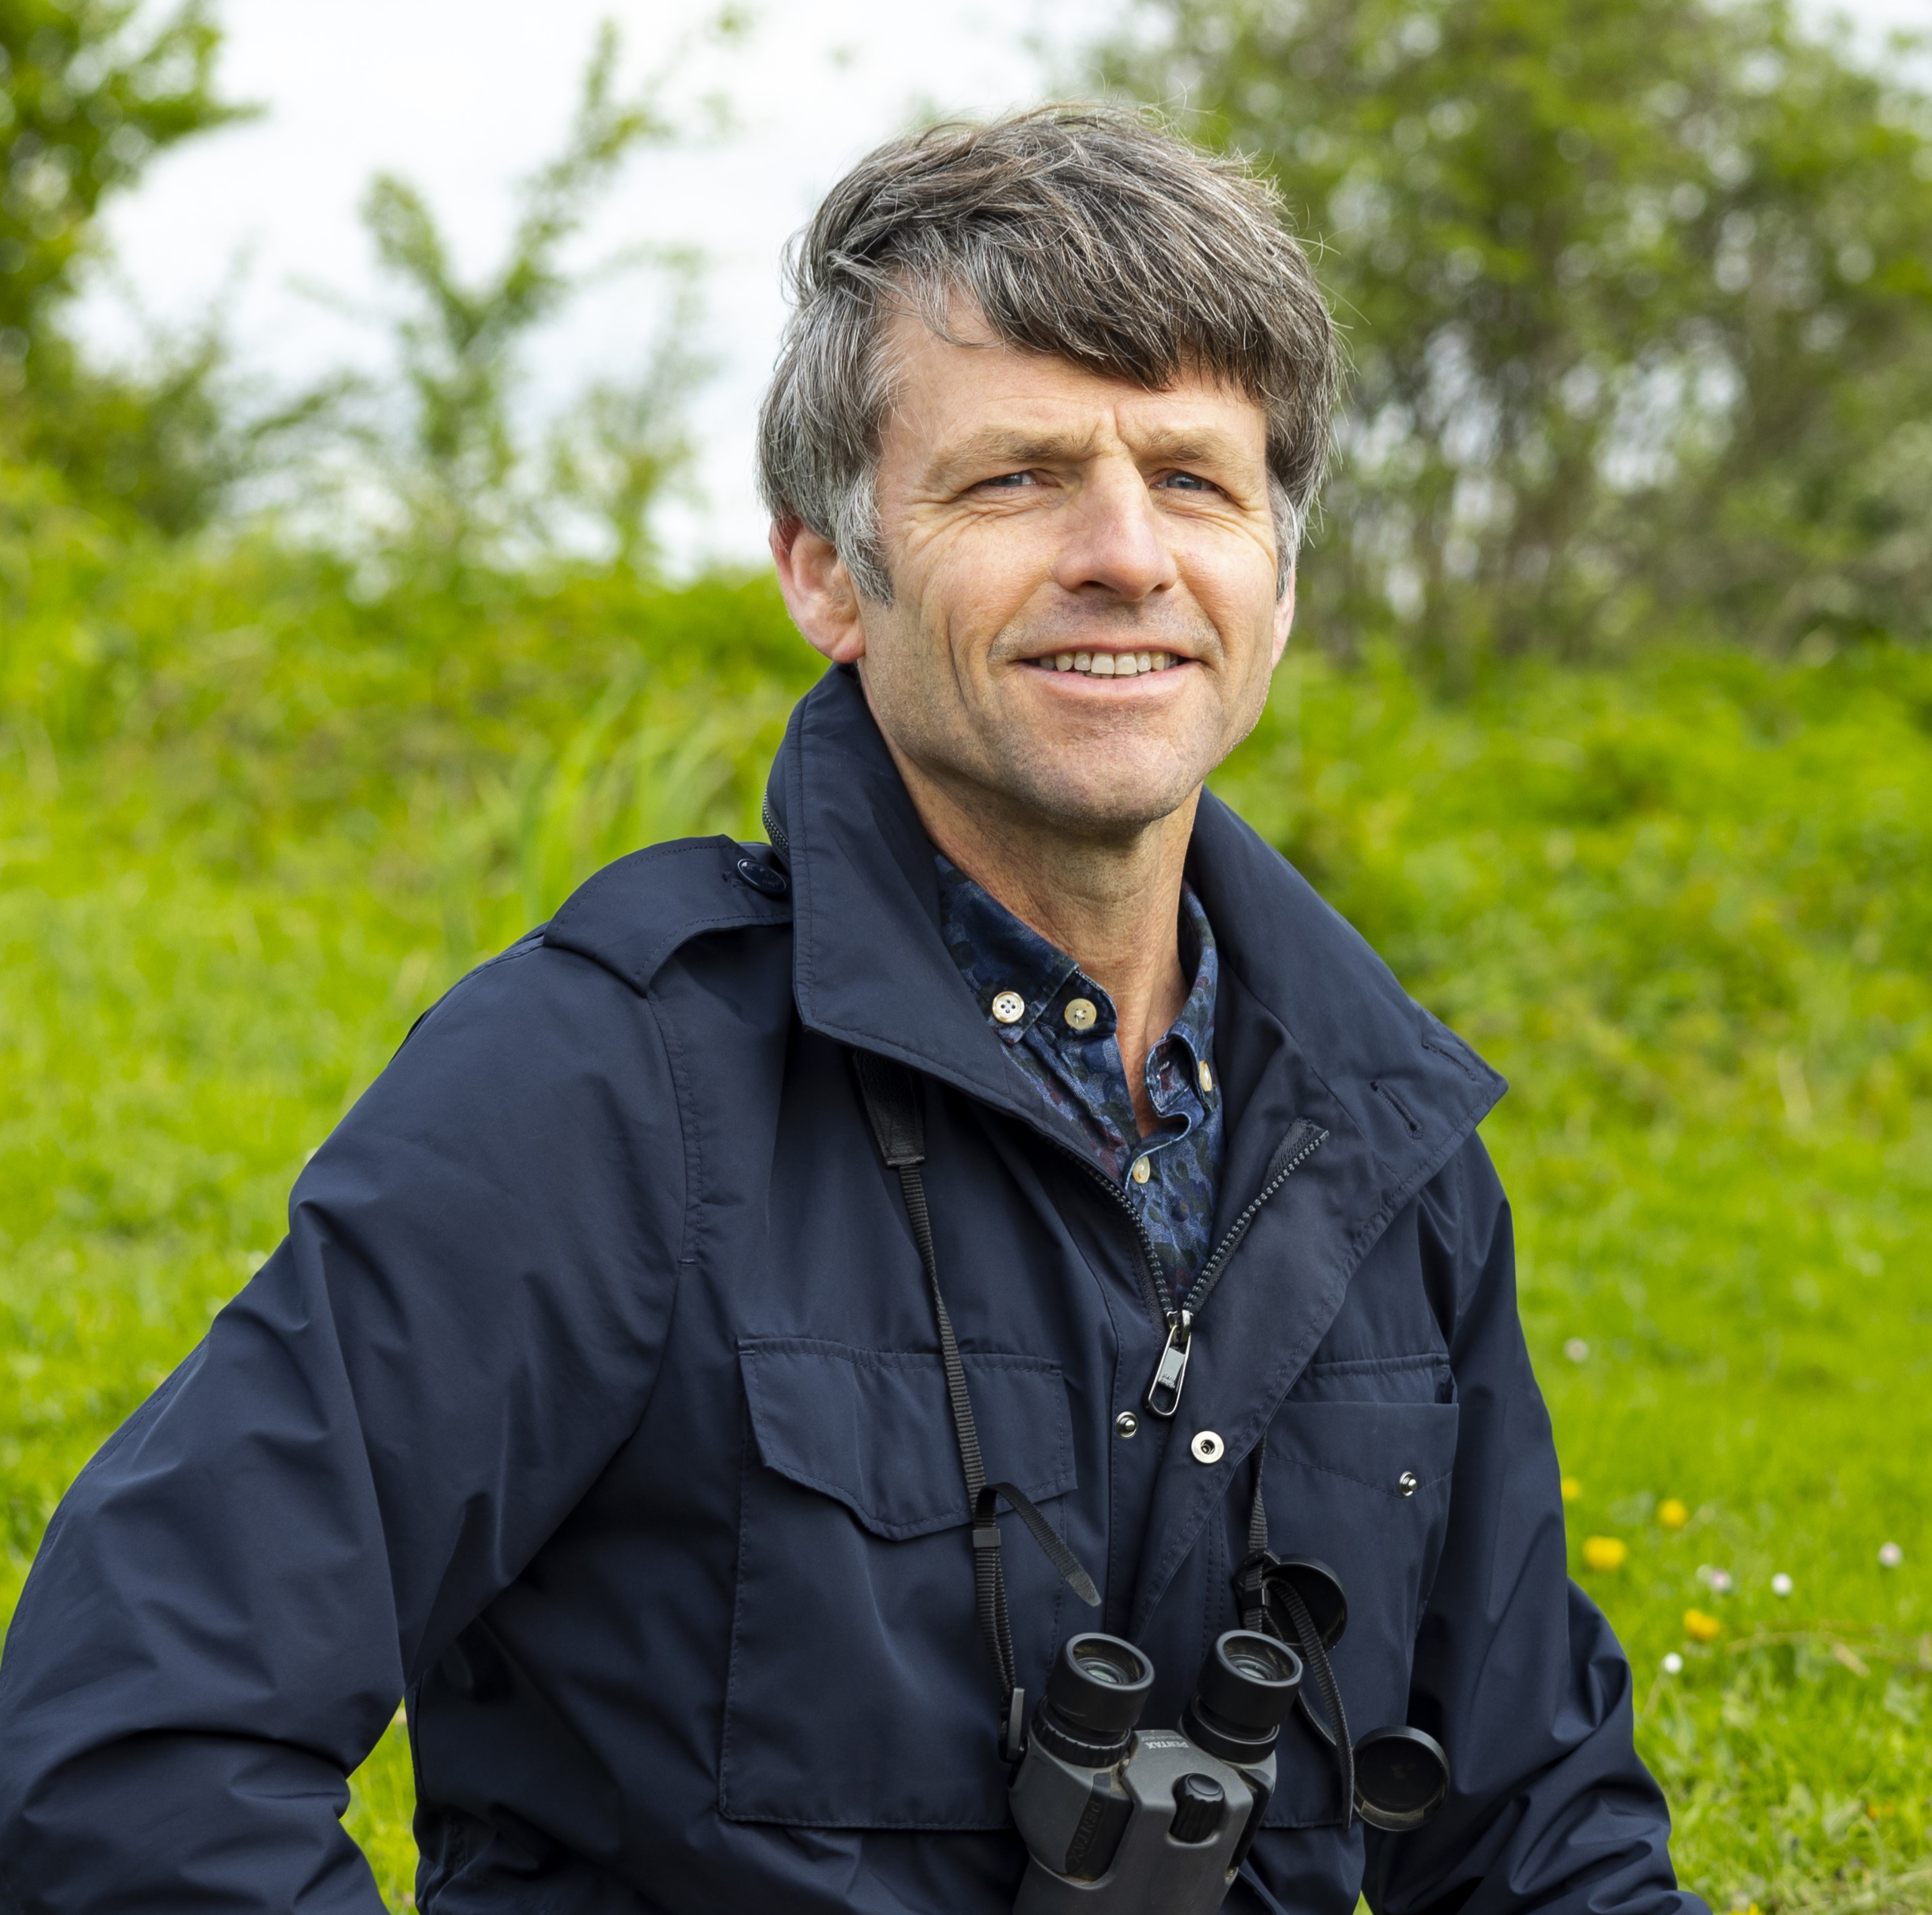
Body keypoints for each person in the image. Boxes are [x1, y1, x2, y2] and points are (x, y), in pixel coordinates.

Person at [0, 107, 1700, 1915]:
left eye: (1193, 480)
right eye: (1018, 477)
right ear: (825, 570)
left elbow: (1539, 1833)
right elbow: (134, 1751)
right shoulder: (597, 1086)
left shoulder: (1380, 1140)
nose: (1124, 553)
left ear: (1273, 582)